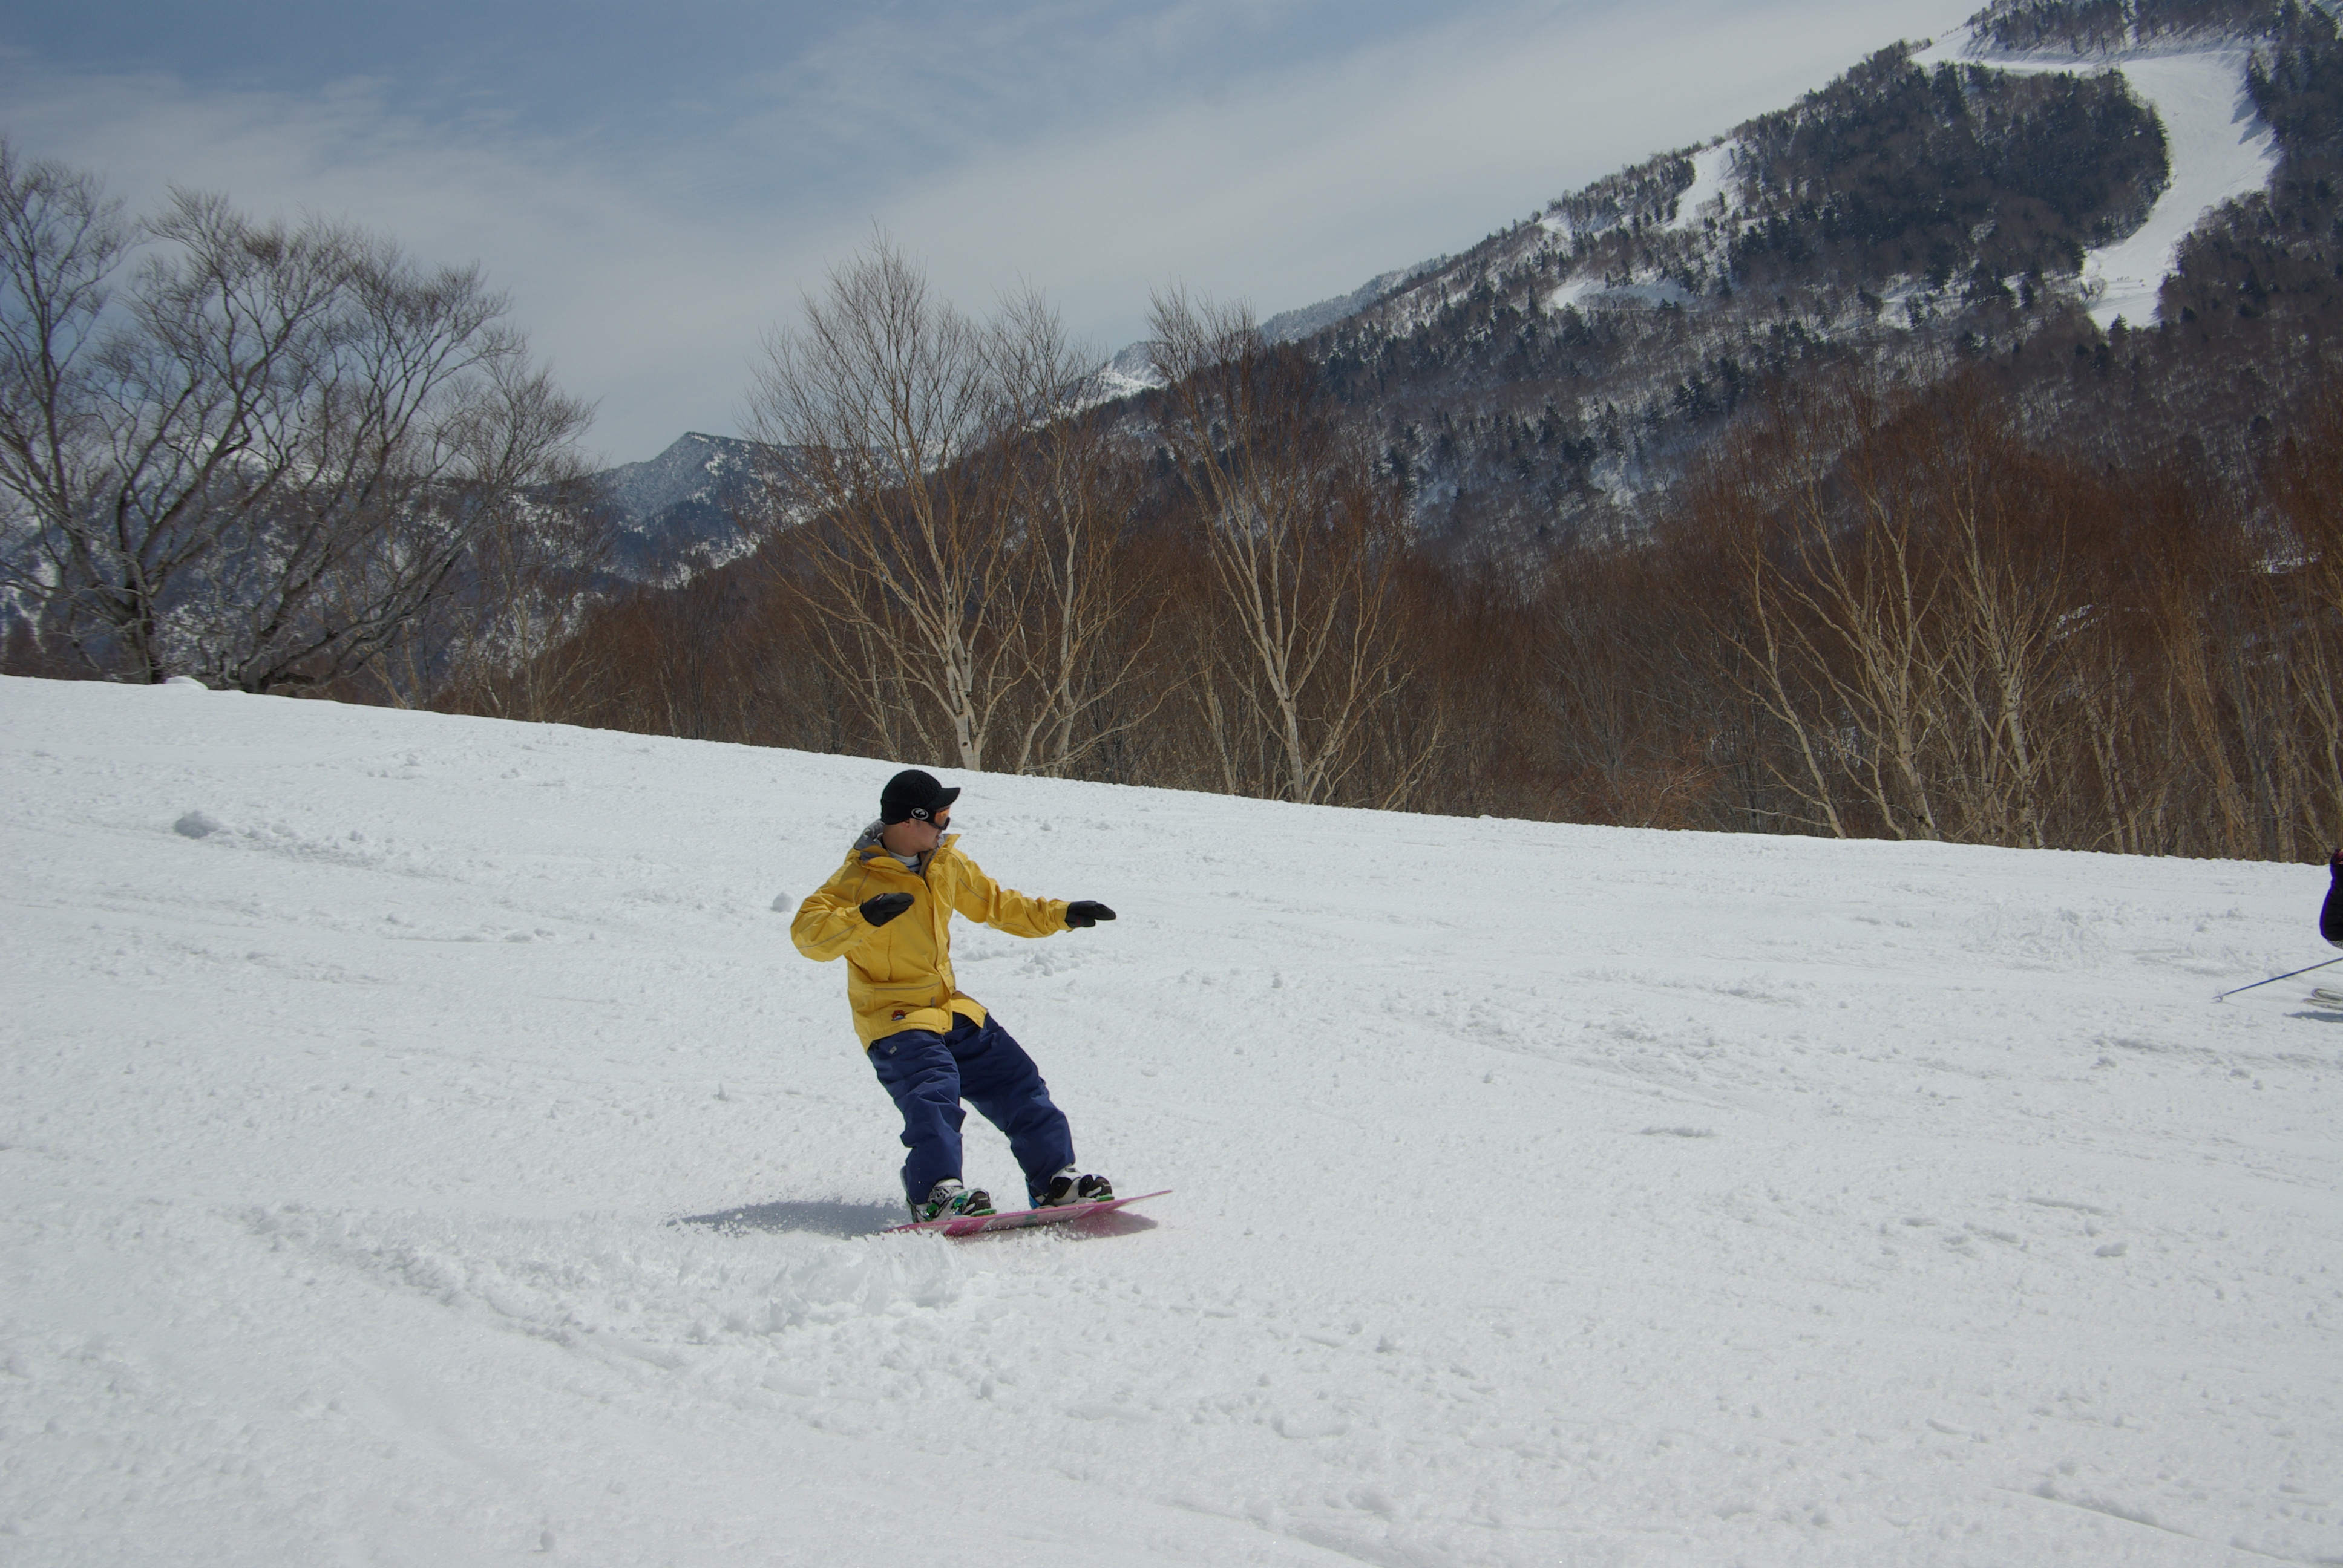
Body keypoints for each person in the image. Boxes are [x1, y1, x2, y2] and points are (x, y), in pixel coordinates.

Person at [790, 768, 1118, 1222]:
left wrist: (1063, 914)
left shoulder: (945, 864)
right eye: (941, 816)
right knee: (934, 1088)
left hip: (948, 1006)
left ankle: (1055, 1181)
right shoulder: (855, 880)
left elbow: (998, 904)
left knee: (1017, 1078)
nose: (947, 825)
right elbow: (808, 937)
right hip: (894, 1016)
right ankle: (934, 1193)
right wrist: (863, 917)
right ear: (911, 820)